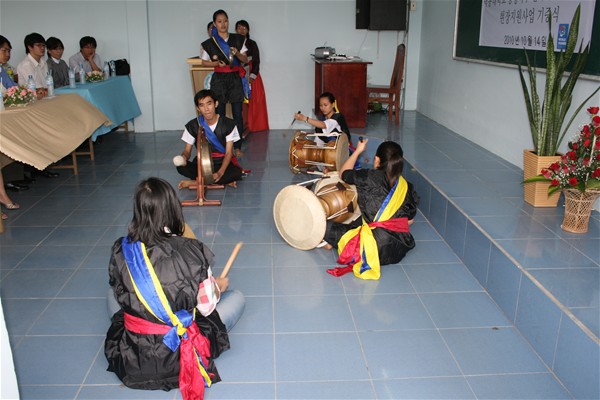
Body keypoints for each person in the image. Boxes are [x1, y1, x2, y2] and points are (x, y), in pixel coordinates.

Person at [105, 177, 245, 399]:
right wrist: (217, 287)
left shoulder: (121, 249)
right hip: (179, 355)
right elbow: (206, 308)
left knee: (113, 298)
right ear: (172, 208)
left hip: (134, 358)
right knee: (236, 298)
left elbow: (120, 291)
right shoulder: (192, 250)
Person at [323, 139, 419, 280]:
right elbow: (409, 221)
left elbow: (344, 173)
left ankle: (333, 241)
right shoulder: (407, 186)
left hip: (372, 249)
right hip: (398, 249)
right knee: (361, 220)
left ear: (377, 160)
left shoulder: (369, 176)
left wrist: (358, 150)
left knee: (324, 226)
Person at [200, 10, 248, 157]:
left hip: (235, 79)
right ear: (214, 24)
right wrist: (215, 64)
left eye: (225, 21)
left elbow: (245, 59)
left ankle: (237, 146)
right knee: (219, 113)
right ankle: (220, 147)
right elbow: (203, 62)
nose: (223, 24)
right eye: (219, 21)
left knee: (237, 114)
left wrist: (237, 53)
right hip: (219, 79)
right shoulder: (209, 43)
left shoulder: (238, 39)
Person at [176, 89, 244, 187]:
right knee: (180, 167)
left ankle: (196, 182)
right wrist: (183, 158)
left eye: (209, 104)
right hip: (202, 164)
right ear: (198, 108)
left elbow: (229, 153)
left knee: (236, 172)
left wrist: (220, 172)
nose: (206, 109)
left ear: (216, 104)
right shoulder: (193, 125)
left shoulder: (229, 124)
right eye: (201, 105)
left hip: (222, 162)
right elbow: (187, 151)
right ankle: (218, 182)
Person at [235, 19, 269, 137]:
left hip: (251, 75)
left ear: (248, 30)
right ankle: (243, 126)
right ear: (236, 30)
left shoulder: (252, 44)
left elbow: (256, 61)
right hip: (237, 74)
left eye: (244, 28)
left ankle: (254, 126)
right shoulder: (232, 43)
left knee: (255, 100)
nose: (241, 30)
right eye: (239, 28)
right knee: (241, 103)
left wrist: (252, 76)